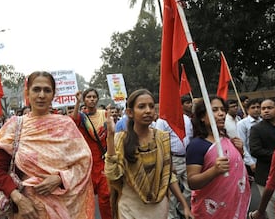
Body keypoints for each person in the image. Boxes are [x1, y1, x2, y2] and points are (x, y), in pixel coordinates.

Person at [0, 71, 95, 219]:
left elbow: (84, 163)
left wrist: (60, 178)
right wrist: (19, 200)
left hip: (66, 209)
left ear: (53, 94)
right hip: (27, 210)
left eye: (47, 90)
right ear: (27, 93)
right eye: (36, 89)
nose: (42, 95)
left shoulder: (66, 125)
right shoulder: (15, 126)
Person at [104, 89, 193, 219]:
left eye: (151, 106)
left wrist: (184, 204)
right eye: (141, 107)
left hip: (158, 208)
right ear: (130, 112)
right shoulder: (120, 139)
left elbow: (168, 176)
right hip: (131, 209)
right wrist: (110, 136)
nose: (148, 111)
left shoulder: (162, 138)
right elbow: (113, 174)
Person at [186, 96, 250, 218]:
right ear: (202, 117)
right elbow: (192, 182)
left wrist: (240, 151)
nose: (221, 113)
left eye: (222, 109)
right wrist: (214, 171)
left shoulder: (227, 140)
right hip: (212, 211)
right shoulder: (197, 145)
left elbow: (234, 169)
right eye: (214, 110)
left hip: (234, 207)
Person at [72, 88, 112, 219]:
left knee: (105, 196)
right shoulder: (82, 117)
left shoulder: (105, 115)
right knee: (86, 199)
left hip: (102, 162)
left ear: (97, 99)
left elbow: (111, 135)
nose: (92, 99)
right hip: (87, 164)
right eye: (88, 97)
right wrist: (77, 103)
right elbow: (73, 122)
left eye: (94, 97)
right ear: (84, 100)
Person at [155, 95, 193, 219]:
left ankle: (183, 210)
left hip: (186, 158)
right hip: (172, 159)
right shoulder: (162, 120)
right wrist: (168, 161)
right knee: (171, 192)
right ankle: (171, 216)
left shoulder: (186, 119)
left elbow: (190, 137)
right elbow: (159, 142)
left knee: (189, 188)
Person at [249, 98, 275, 219]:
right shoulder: (257, 129)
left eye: (269, 108)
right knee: (274, 210)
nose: (265, 111)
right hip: (266, 175)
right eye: (263, 108)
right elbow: (255, 150)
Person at [237, 98, 262, 179]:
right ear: (247, 110)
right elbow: (242, 145)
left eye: (258, 107)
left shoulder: (263, 122)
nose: (256, 110)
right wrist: (250, 162)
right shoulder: (242, 124)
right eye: (253, 107)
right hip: (250, 162)